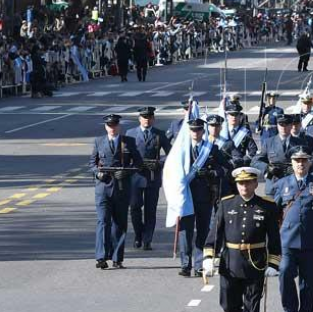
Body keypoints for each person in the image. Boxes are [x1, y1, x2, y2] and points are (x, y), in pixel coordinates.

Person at [202, 167, 281, 312]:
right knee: (228, 305)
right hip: (231, 262)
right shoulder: (226, 204)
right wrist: (208, 257)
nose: (244, 186)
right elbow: (215, 234)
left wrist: (273, 264)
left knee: (252, 306)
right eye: (241, 183)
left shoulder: (267, 206)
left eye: (248, 182)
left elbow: (274, 237)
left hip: (255, 263)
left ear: (255, 184)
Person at [273, 149, 313, 312]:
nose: (300, 163)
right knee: (285, 272)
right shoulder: (282, 184)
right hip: (286, 241)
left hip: (311, 241)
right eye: (297, 160)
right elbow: (273, 214)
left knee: (308, 283)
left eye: (304, 160)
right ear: (292, 163)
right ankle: (290, 308)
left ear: (309, 162)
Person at [179, 117, 231, 277]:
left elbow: (227, 168)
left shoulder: (212, 149)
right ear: (189, 131)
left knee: (202, 231)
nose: (196, 132)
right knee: (185, 231)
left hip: (205, 195)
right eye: (193, 129)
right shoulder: (182, 149)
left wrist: (212, 172)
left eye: (199, 129)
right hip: (185, 196)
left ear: (203, 131)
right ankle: (185, 264)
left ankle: (199, 264)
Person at [89, 114, 143, 269]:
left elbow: (138, 163)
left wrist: (126, 172)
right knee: (102, 222)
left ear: (119, 126)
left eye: (114, 125)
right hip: (103, 188)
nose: (112, 128)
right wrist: (98, 173)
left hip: (121, 187)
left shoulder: (128, 142)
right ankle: (101, 257)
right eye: (109, 125)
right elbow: (92, 163)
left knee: (119, 223)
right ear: (106, 127)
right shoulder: (99, 141)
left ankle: (117, 258)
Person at [127, 106, 172, 251]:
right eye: (144, 117)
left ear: (153, 119)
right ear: (139, 118)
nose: (147, 120)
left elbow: (171, 154)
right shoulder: (131, 133)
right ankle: (138, 235)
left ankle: (147, 239)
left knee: (150, 210)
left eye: (149, 117)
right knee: (134, 207)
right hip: (136, 176)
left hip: (152, 176)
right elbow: (125, 155)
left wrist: (160, 163)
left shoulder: (159, 134)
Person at [253, 113, 313, 196]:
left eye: (286, 124)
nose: (283, 127)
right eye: (281, 124)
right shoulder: (269, 142)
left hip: (294, 184)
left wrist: (300, 169)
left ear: (291, 126)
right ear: (277, 125)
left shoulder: (300, 142)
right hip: (274, 183)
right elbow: (255, 161)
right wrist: (267, 168)